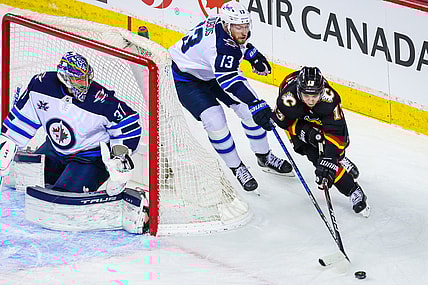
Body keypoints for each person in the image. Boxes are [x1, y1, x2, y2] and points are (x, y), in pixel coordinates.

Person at [168, 1, 293, 192]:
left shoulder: (220, 23)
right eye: (238, 27)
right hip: (185, 78)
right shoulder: (219, 48)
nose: (243, 32)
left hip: (210, 69)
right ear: (227, 25)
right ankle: (237, 167)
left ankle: (264, 156)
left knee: (249, 113)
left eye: (245, 26)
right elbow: (229, 81)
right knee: (215, 120)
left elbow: (237, 47)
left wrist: (251, 54)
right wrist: (255, 102)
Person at [0, 51, 141, 195]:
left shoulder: (100, 100)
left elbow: (128, 122)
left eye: (86, 78)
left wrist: (119, 156)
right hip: (53, 150)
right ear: (64, 78)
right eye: (78, 80)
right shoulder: (41, 86)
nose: (85, 84)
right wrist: (9, 141)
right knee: (24, 184)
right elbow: (23, 119)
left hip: (89, 158)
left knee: (62, 197)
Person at [272, 66, 370, 217]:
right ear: (299, 91)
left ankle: (341, 160)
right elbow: (284, 123)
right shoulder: (287, 100)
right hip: (297, 121)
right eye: (306, 95)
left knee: (336, 150)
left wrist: (331, 158)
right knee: (317, 159)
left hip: (320, 120)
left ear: (322, 91)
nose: (311, 100)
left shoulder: (330, 99)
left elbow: (336, 131)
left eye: (315, 95)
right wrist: (305, 132)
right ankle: (353, 190)